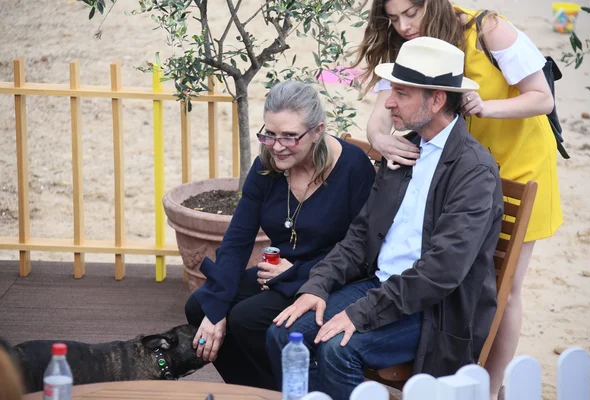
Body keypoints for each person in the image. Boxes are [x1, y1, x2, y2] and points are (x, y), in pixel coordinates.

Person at [266, 37, 504, 400]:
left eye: (402, 92)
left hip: (433, 310)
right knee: (284, 334)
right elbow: (361, 234)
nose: (389, 101)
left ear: (436, 99)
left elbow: (440, 272)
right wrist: (318, 284)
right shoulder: (404, 150)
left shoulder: (474, 171)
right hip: (380, 287)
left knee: (337, 350)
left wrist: (361, 313)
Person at [352, 1, 563, 398]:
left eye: (411, 13)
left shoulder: (489, 29)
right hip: (458, 172)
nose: (403, 26)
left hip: (518, 165)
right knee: (462, 271)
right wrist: (381, 139)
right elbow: (380, 115)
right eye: (393, 19)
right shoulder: (414, 48)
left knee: (506, 285)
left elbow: (541, 97)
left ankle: (490, 385)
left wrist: (487, 108)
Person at [184, 81, 376, 390]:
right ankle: (258, 391)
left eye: (289, 136)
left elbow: (361, 248)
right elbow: (237, 240)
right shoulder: (266, 166)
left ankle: (296, 393)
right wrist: (216, 309)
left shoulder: (353, 167)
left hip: (335, 279)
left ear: (317, 131)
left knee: (248, 319)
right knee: (200, 307)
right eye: (269, 134)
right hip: (277, 273)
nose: (277, 145)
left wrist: (302, 273)